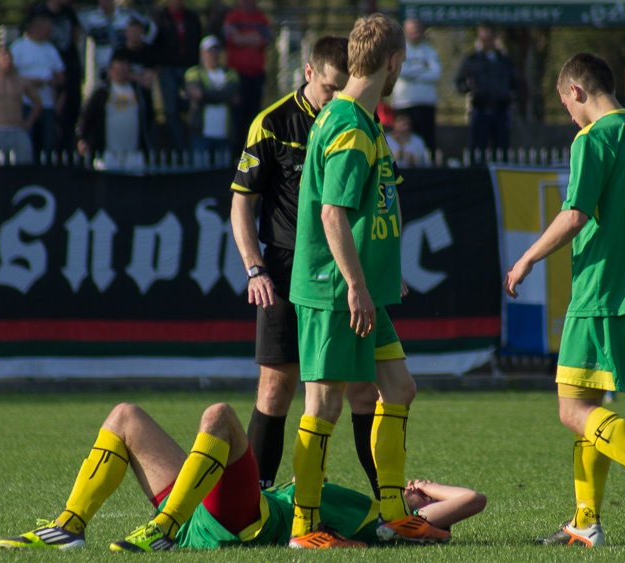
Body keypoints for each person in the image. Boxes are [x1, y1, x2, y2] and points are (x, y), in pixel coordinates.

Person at [504, 53, 625, 548]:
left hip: (600, 287)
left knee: (571, 409)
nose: (569, 115)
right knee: (586, 403)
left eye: (565, 104)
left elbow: (575, 215)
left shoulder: (595, 138)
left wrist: (525, 259)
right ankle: (585, 522)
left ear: (575, 91)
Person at [287, 13, 450, 548]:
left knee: (399, 387)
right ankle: (303, 528)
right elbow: (332, 214)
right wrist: (356, 285)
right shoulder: (350, 127)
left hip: (361, 290)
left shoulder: (362, 119)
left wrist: (382, 272)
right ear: (394, 63)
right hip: (335, 290)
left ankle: (391, 514)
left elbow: (372, 207)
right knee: (324, 405)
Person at [0, 401, 486, 551]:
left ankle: (164, 530)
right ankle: (69, 528)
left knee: (221, 418)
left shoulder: (382, 522)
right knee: (125, 416)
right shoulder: (367, 509)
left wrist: (422, 489)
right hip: (202, 510)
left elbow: (473, 500)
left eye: (417, 509)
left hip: (240, 519)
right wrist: (414, 488)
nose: (409, 500)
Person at [231, 36, 387, 496]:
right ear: (308, 73)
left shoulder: (358, 121)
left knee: (363, 389)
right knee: (278, 387)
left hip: (344, 269)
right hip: (283, 269)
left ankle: (388, 497)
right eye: (330, 88)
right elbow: (241, 204)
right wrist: (255, 269)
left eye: (344, 89)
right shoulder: (273, 123)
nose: (335, 99)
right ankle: (254, 499)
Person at [455, 23, 517, 161]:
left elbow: (515, 82)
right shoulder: (472, 60)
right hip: (480, 109)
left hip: (500, 110)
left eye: (489, 38)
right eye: (483, 38)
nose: (486, 42)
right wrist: (470, 89)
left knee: (502, 149)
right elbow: (460, 82)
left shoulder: (504, 60)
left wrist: (508, 94)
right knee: (477, 149)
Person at [75, 53, 153, 164]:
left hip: (134, 154)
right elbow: (86, 116)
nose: (120, 73)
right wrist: (82, 138)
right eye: (117, 70)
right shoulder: (101, 92)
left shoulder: (139, 92)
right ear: (110, 71)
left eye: (124, 70)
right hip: (107, 154)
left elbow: (149, 116)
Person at [29, 0, 83, 153]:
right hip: (44, 87)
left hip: (66, 69)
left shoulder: (69, 12)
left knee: (68, 114)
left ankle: (66, 150)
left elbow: (75, 33)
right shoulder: (38, 11)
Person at [10, 13, 65, 161]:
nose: (50, 33)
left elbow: (61, 76)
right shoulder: (19, 47)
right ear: (36, 28)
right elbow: (10, 75)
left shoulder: (50, 49)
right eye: (47, 30)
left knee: (47, 140)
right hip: (26, 103)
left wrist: (51, 81)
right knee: (27, 139)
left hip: (47, 103)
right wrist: (29, 82)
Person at [152, 0, 201, 152]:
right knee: (171, 110)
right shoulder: (159, 17)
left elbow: (197, 41)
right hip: (167, 68)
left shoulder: (192, 17)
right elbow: (154, 41)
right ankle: (179, 148)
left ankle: (194, 145)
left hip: (189, 67)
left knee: (191, 106)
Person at [223, 0, 273, 149]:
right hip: (237, 76)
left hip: (256, 75)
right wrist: (253, 37)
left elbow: (266, 39)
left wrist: (243, 38)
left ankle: (251, 149)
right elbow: (232, 38)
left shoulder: (261, 19)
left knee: (254, 114)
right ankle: (235, 151)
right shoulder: (232, 17)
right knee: (237, 115)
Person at [184, 35, 239, 160]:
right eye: (209, 51)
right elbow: (197, 94)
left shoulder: (231, 73)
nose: (213, 54)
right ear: (202, 53)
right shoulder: (193, 73)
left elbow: (231, 92)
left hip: (224, 135)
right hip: (200, 135)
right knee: (199, 174)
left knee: (222, 175)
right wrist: (223, 97)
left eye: (216, 51)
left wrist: (205, 95)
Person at [390, 18, 440, 155]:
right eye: (411, 31)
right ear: (405, 31)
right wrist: (422, 69)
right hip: (403, 103)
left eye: (417, 30)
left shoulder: (430, 51)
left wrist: (412, 74)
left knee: (427, 141)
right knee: (403, 140)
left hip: (426, 104)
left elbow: (435, 74)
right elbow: (400, 71)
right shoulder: (399, 51)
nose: (415, 33)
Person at [78, 0, 158, 78]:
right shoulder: (89, 17)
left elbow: (151, 28)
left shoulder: (126, 15)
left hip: (126, 67)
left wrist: (140, 45)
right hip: (103, 66)